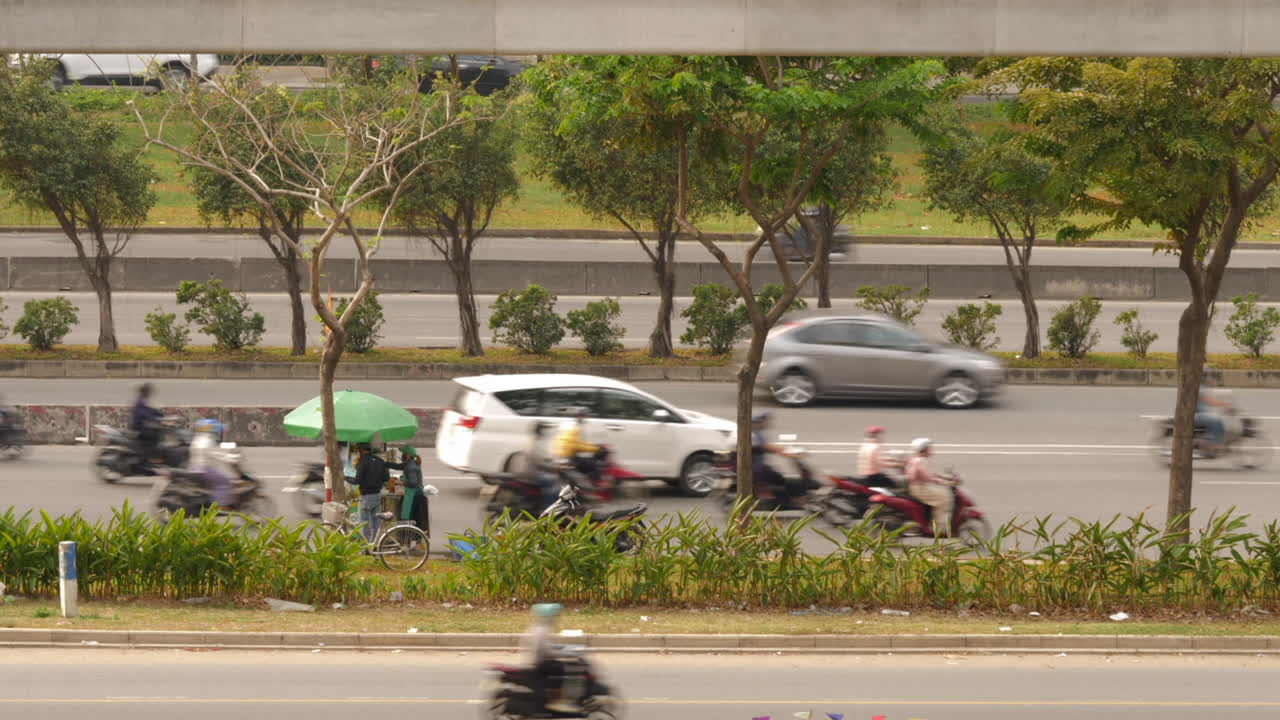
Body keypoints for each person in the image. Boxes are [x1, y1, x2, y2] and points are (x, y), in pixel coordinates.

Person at [521, 603, 576, 714]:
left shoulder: (539, 627)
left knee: (557, 665)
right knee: (561, 668)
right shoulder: (543, 630)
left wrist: (561, 648)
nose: (556, 618)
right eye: (555, 616)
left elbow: (547, 646)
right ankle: (556, 701)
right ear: (549, 617)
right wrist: (564, 654)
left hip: (537, 660)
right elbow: (546, 651)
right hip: (538, 663)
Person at [905, 438, 956, 537]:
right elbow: (926, 476)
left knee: (939, 495)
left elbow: (929, 474)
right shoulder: (920, 460)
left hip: (917, 487)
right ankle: (937, 528)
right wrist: (942, 482)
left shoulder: (916, 459)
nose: (931, 450)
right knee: (944, 499)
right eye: (929, 448)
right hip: (919, 489)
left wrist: (944, 477)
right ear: (924, 449)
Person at [190, 418, 236, 510]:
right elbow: (217, 455)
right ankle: (220, 505)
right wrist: (230, 459)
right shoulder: (207, 441)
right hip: (204, 469)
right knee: (224, 482)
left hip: (194, 467)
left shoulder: (197, 439)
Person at [352, 443, 390, 542]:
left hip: (366, 497)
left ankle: (366, 546)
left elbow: (357, 480)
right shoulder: (380, 461)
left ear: (361, 450)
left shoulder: (363, 462)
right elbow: (387, 478)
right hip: (377, 495)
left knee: (364, 522)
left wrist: (345, 477)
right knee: (376, 521)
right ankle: (375, 544)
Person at [553, 408, 601, 486]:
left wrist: (593, 447)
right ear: (579, 416)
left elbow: (577, 444)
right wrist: (596, 448)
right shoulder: (575, 427)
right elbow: (578, 446)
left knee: (584, 460)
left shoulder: (566, 425)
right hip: (567, 458)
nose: (586, 418)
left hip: (559, 456)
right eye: (585, 416)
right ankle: (594, 487)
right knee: (591, 464)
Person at [387, 445, 428, 532]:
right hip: (415, 495)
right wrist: (384, 463)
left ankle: (413, 540)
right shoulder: (409, 464)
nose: (402, 455)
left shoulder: (411, 467)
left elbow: (413, 483)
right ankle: (414, 539)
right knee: (414, 520)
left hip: (414, 496)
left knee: (412, 520)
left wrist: (400, 482)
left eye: (403, 453)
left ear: (408, 455)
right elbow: (397, 466)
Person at [1196, 365, 1234, 454]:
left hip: (1201, 414)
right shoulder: (1199, 387)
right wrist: (1225, 405)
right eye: (1208, 375)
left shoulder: (1202, 386)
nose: (1210, 377)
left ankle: (1208, 440)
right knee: (1217, 422)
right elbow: (1209, 401)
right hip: (1197, 415)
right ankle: (1210, 444)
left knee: (1217, 419)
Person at [527, 421, 562, 510]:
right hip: (536, 473)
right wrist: (554, 467)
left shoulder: (539, 442)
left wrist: (556, 463)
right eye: (544, 429)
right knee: (555, 487)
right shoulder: (534, 443)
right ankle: (549, 510)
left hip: (541, 470)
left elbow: (547, 457)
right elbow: (539, 462)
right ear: (540, 431)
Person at [129, 383, 165, 463]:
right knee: (155, 435)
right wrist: (155, 419)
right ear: (145, 392)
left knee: (157, 432)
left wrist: (161, 414)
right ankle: (151, 457)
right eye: (148, 392)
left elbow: (151, 410)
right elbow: (144, 414)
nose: (150, 394)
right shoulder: (140, 402)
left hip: (142, 425)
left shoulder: (143, 401)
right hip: (138, 427)